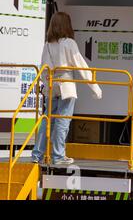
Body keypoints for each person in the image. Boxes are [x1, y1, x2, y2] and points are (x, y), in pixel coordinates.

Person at [31, 12, 102, 165]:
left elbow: (44, 69)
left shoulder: (48, 45)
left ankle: (37, 155)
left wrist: (47, 85)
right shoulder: (69, 43)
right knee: (63, 121)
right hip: (67, 85)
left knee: (46, 121)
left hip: (52, 85)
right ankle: (58, 156)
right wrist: (95, 87)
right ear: (67, 25)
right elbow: (81, 66)